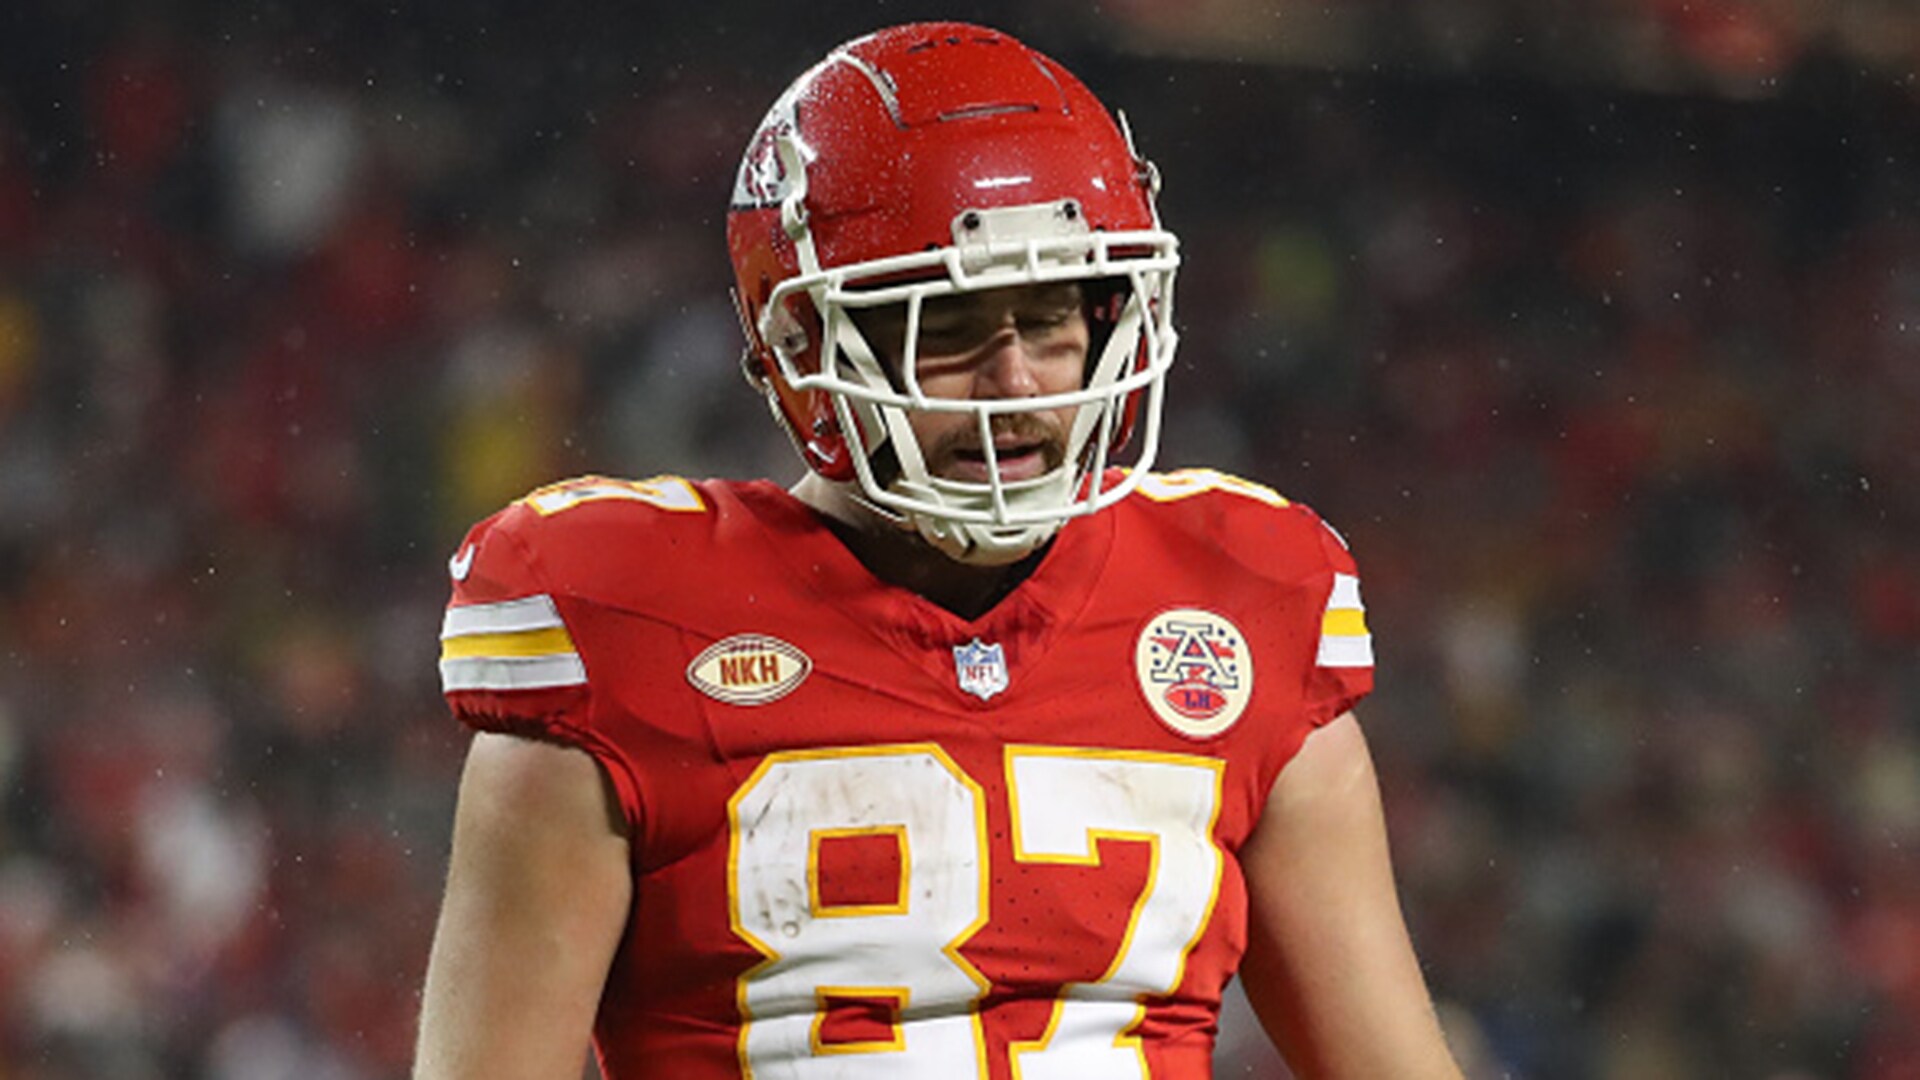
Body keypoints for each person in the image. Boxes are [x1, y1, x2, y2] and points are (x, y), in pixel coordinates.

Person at [412, 21, 1463, 1080]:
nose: (1015, 388)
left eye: (1051, 318)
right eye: (947, 327)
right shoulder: (622, 618)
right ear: (804, 350)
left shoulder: (1248, 599)